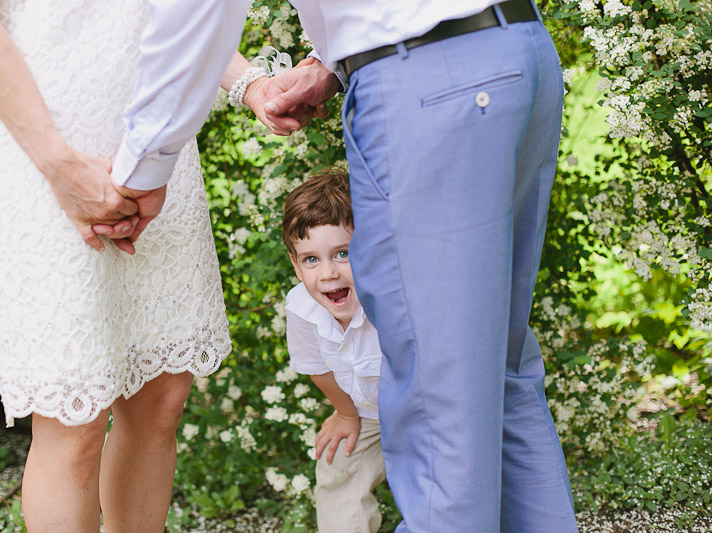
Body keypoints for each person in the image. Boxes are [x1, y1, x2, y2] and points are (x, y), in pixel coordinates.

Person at [93, 0, 580, 530]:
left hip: (428, 82)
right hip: (517, 50)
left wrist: (144, 166)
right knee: (501, 373)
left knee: (437, 394)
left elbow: (200, 11)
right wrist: (330, 61)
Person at [0, 0, 280, 530]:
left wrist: (248, 83)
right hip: (40, 142)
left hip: (151, 139)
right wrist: (59, 165)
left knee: (162, 397)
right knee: (73, 419)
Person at [282, 169, 386, 533]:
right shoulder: (302, 310)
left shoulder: (389, 301)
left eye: (343, 253)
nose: (327, 273)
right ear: (295, 265)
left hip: (423, 413)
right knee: (337, 462)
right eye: (311, 259)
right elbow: (317, 368)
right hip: (368, 414)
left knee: (439, 481)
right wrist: (346, 414)